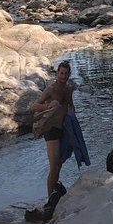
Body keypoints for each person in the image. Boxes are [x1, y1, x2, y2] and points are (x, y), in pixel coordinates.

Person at [31, 60, 76, 201]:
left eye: (66, 74)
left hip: (64, 128)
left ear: (69, 74)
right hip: (51, 129)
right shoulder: (50, 89)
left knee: (59, 164)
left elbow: (71, 106)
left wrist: (74, 122)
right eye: (61, 73)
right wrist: (48, 106)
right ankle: (50, 198)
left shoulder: (68, 89)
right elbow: (34, 106)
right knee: (54, 164)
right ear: (57, 73)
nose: (63, 76)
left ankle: (55, 192)